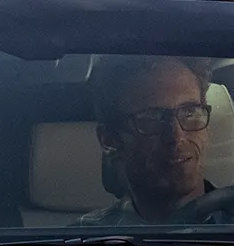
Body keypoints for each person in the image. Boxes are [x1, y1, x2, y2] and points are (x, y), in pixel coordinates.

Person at [81, 55, 215, 226]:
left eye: (190, 113)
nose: (176, 137)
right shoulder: (81, 240)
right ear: (109, 140)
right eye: (151, 118)